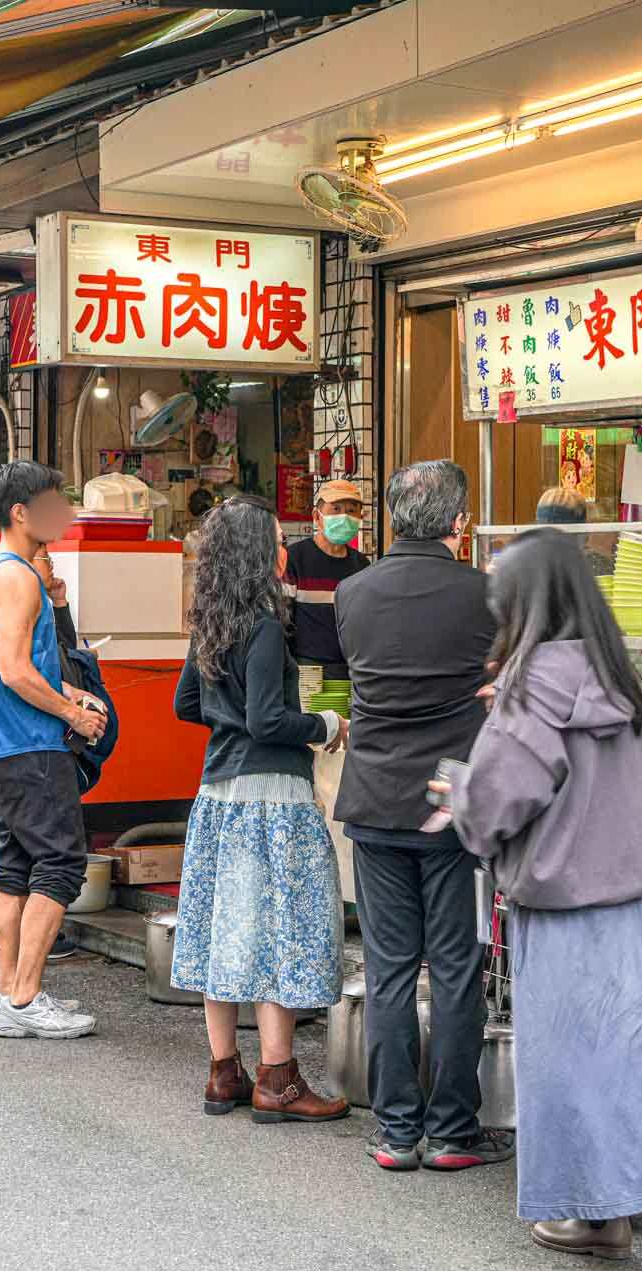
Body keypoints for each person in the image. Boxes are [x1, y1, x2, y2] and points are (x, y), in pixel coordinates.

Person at [441, 527, 642, 1260]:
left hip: (560, 907)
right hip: (628, 907)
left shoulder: (536, 685)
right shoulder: (616, 674)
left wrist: (461, 789)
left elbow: (500, 797)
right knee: (620, 1056)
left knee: (568, 1064)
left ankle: (589, 1215)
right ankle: (622, 1196)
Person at [333, 461, 510, 1171]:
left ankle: (396, 1131)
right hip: (452, 804)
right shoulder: (487, 595)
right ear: (459, 524)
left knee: (389, 969)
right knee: (458, 966)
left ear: (390, 518)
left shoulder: (352, 591)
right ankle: (452, 1130)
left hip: (374, 800)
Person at [174, 495, 349, 1122]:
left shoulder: (211, 621)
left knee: (226, 928)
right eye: (277, 539)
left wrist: (230, 720)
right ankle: (279, 1079)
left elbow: (185, 707)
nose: (285, 548)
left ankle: (224, 1072)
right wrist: (326, 722)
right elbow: (268, 720)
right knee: (280, 928)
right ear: (259, 555)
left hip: (217, 795)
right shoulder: (269, 625)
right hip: (273, 797)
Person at [0, 460, 105, 1037]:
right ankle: (25, 998)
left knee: (16, 867)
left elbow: (27, 666)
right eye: (56, 503)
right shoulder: (18, 576)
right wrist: (72, 711)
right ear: (22, 513)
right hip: (30, 744)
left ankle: (8, 992)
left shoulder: (5, 571)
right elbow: (13, 671)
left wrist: (70, 690)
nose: (67, 514)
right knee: (60, 863)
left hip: (6, 744)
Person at [283, 478, 369, 681]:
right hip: (305, 670)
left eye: (351, 511)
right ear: (317, 516)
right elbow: (281, 621)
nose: (344, 517)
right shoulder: (294, 559)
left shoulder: (362, 566)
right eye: (336, 509)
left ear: (360, 517)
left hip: (350, 671)